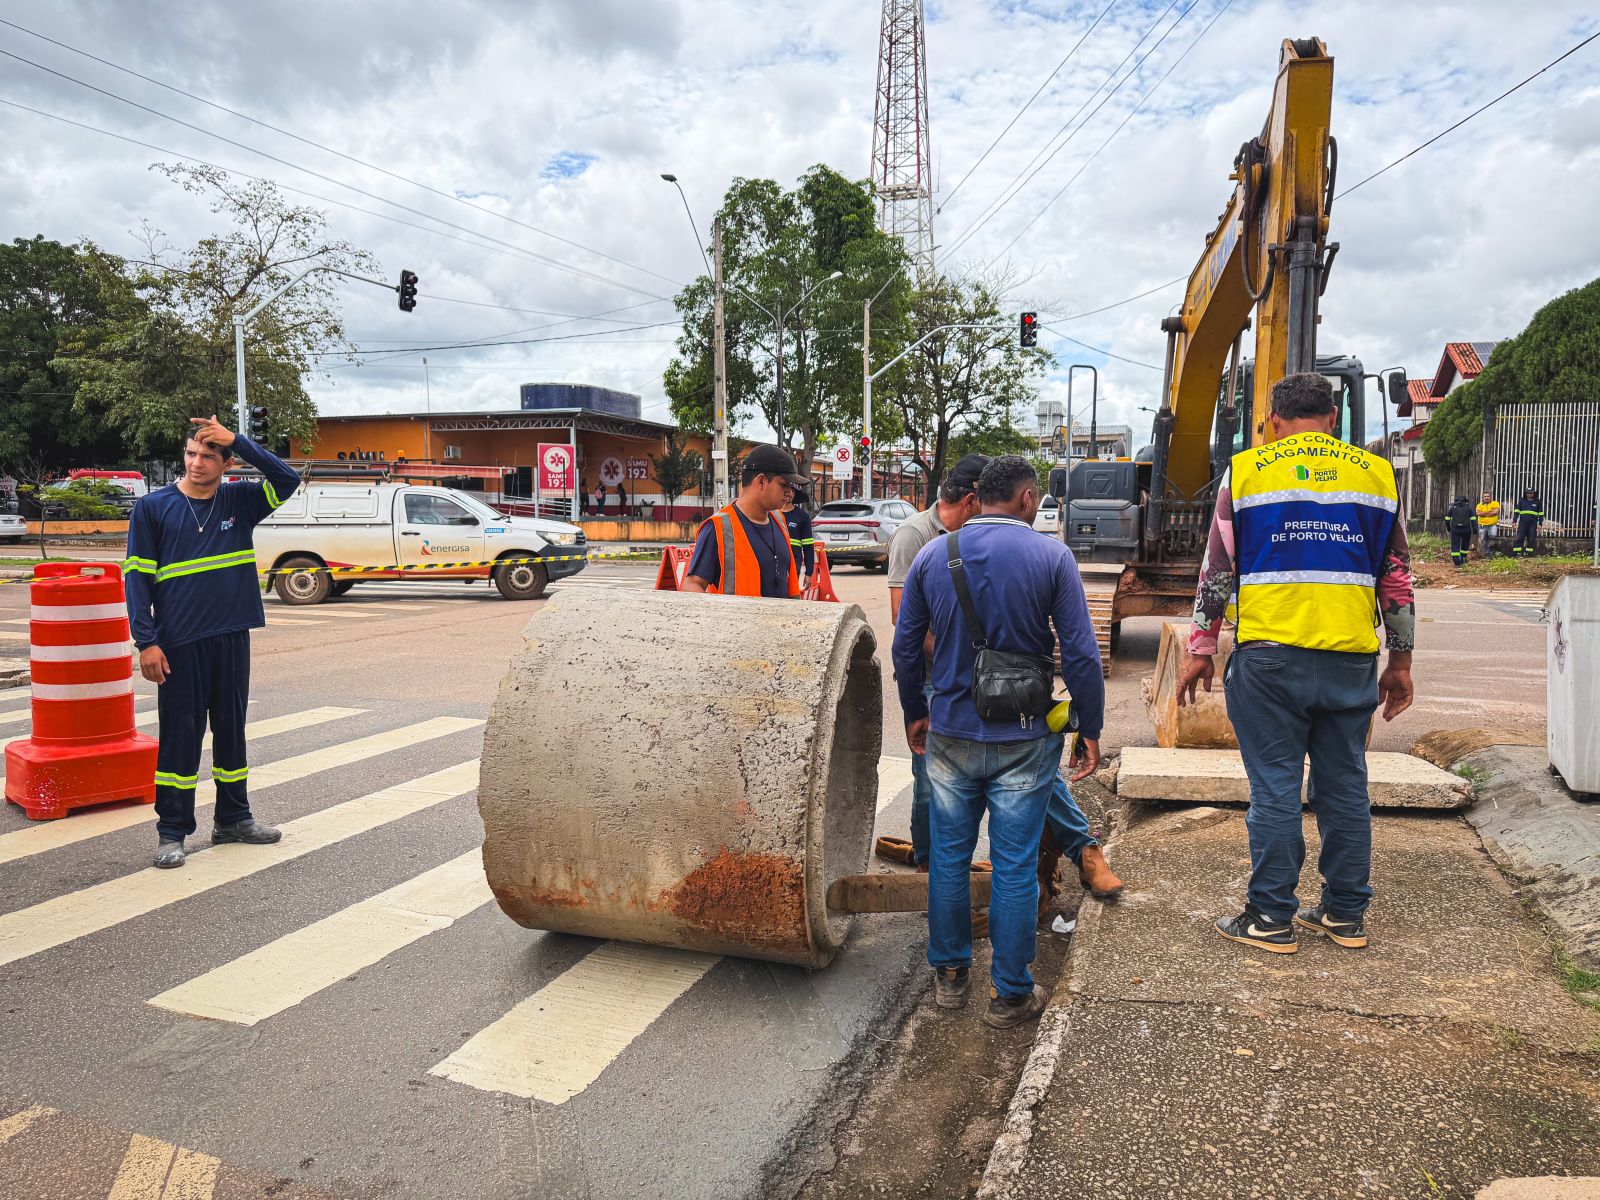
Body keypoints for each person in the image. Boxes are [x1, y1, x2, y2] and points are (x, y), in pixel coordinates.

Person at [1177, 373, 1415, 955]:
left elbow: (1218, 570)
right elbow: (1398, 578)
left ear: (1273, 422)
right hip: (1352, 659)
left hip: (1270, 662)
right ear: (1333, 418)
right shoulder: (1379, 475)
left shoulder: (1249, 470)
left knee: (1276, 787)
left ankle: (1271, 918)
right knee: (1344, 786)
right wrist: (1401, 663)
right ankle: (1345, 914)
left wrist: (1200, 647)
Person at [893, 456, 1105, 1030]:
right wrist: (1089, 726)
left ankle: (950, 979)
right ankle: (1010, 995)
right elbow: (1082, 653)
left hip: (951, 733)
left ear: (980, 497)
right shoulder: (1052, 557)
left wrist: (916, 711)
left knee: (948, 859)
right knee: (1013, 866)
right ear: (1027, 498)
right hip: (1025, 738)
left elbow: (906, 646)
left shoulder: (936, 555)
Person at [124, 415, 303, 869]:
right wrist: (146, 642)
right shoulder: (153, 507)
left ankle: (234, 819)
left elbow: (287, 478)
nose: (196, 463)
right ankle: (172, 831)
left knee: (232, 729)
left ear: (226, 464)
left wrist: (240, 439)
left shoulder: (240, 500)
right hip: (179, 641)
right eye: (191, 454)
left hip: (231, 634)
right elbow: (137, 579)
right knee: (181, 737)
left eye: (208, 455)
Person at [681, 445, 808, 598]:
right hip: (736, 621)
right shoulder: (718, 528)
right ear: (761, 481)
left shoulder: (780, 520)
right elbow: (693, 584)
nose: (789, 493)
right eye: (784, 484)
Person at [782, 489, 815, 589]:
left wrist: (808, 573)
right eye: (786, 489)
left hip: (793, 564)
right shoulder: (770, 514)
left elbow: (808, 547)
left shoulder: (802, 516)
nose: (789, 493)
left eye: (792, 490)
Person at [1512, 487, 1544, 557]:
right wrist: (1514, 521)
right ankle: (1517, 553)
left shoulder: (1538, 502)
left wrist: (1540, 524)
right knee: (1520, 537)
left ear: (1534, 493)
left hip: (1533, 523)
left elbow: (1541, 513)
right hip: (1523, 523)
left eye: (1531, 493)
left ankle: (1528, 553)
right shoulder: (1522, 501)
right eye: (1528, 493)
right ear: (1525, 493)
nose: (1529, 494)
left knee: (1531, 538)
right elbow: (1517, 511)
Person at [1445, 495, 1475, 568]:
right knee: (1465, 545)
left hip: (1455, 530)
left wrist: (1449, 528)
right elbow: (1473, 520)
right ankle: (1463, 559)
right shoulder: (1469, 508)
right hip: (1467, 530)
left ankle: (1457, 563)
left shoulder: (1453, 508)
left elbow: (1447, 519)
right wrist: (1475, 530)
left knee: (1455, 546)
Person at [1474, 490, 1500, 557]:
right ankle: (1488, 554)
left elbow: (1495, 512)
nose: (1486, 498)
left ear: (1490, 497)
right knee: (1484, 540)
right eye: (1485, 496)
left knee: (1493, 536)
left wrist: (1484, 514)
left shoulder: (1495, 503)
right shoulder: (1479, 505)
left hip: (1492, 525)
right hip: (1482, 525)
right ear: (1482, 498)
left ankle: (1493, 552)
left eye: (1488, 496)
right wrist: (1489, 512)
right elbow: (1478, 513)